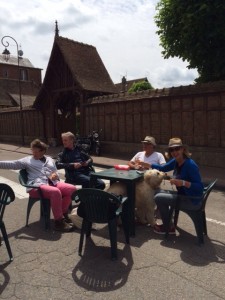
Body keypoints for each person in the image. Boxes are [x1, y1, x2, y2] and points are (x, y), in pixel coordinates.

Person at [0, 139, 77, 232]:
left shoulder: (49, 159)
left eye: (36, 151)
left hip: (52, 183)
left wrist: (55, 175)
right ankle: (59, 222)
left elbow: (54, 170)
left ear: (43, 151)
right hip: (37, 187)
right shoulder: (27, 160)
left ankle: (63, 212)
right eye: (33, 150)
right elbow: (12, 164)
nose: (34, 153)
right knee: (55, 192)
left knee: (72, 189)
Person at [149, 137, 204, 235]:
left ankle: (168, 227)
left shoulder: (190, 165)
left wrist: (182, 183)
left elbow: (199, 188)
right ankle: (166, 218)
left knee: (158, 197)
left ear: (183, 149)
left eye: (177, 148)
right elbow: (163, 168)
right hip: (183, 195)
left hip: (191, 200)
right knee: (156, 191)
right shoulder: (176, 161)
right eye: (172, 150)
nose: (174, 152)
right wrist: (147, 165)